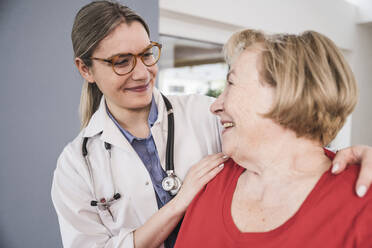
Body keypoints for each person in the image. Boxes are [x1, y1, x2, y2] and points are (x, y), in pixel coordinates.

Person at [51, 1, 372, 248]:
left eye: (148, 54)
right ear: (86, 69)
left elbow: (283, 142)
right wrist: (179, 204)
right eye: (121, 61)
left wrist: (350, 157)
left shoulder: (206, 113)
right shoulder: (77, 165)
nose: (141, 72)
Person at [174, 29, 372, 247]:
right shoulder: (210, 181)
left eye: (231, 83)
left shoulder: (362, 203)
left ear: (285, 93)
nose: (215, 106)